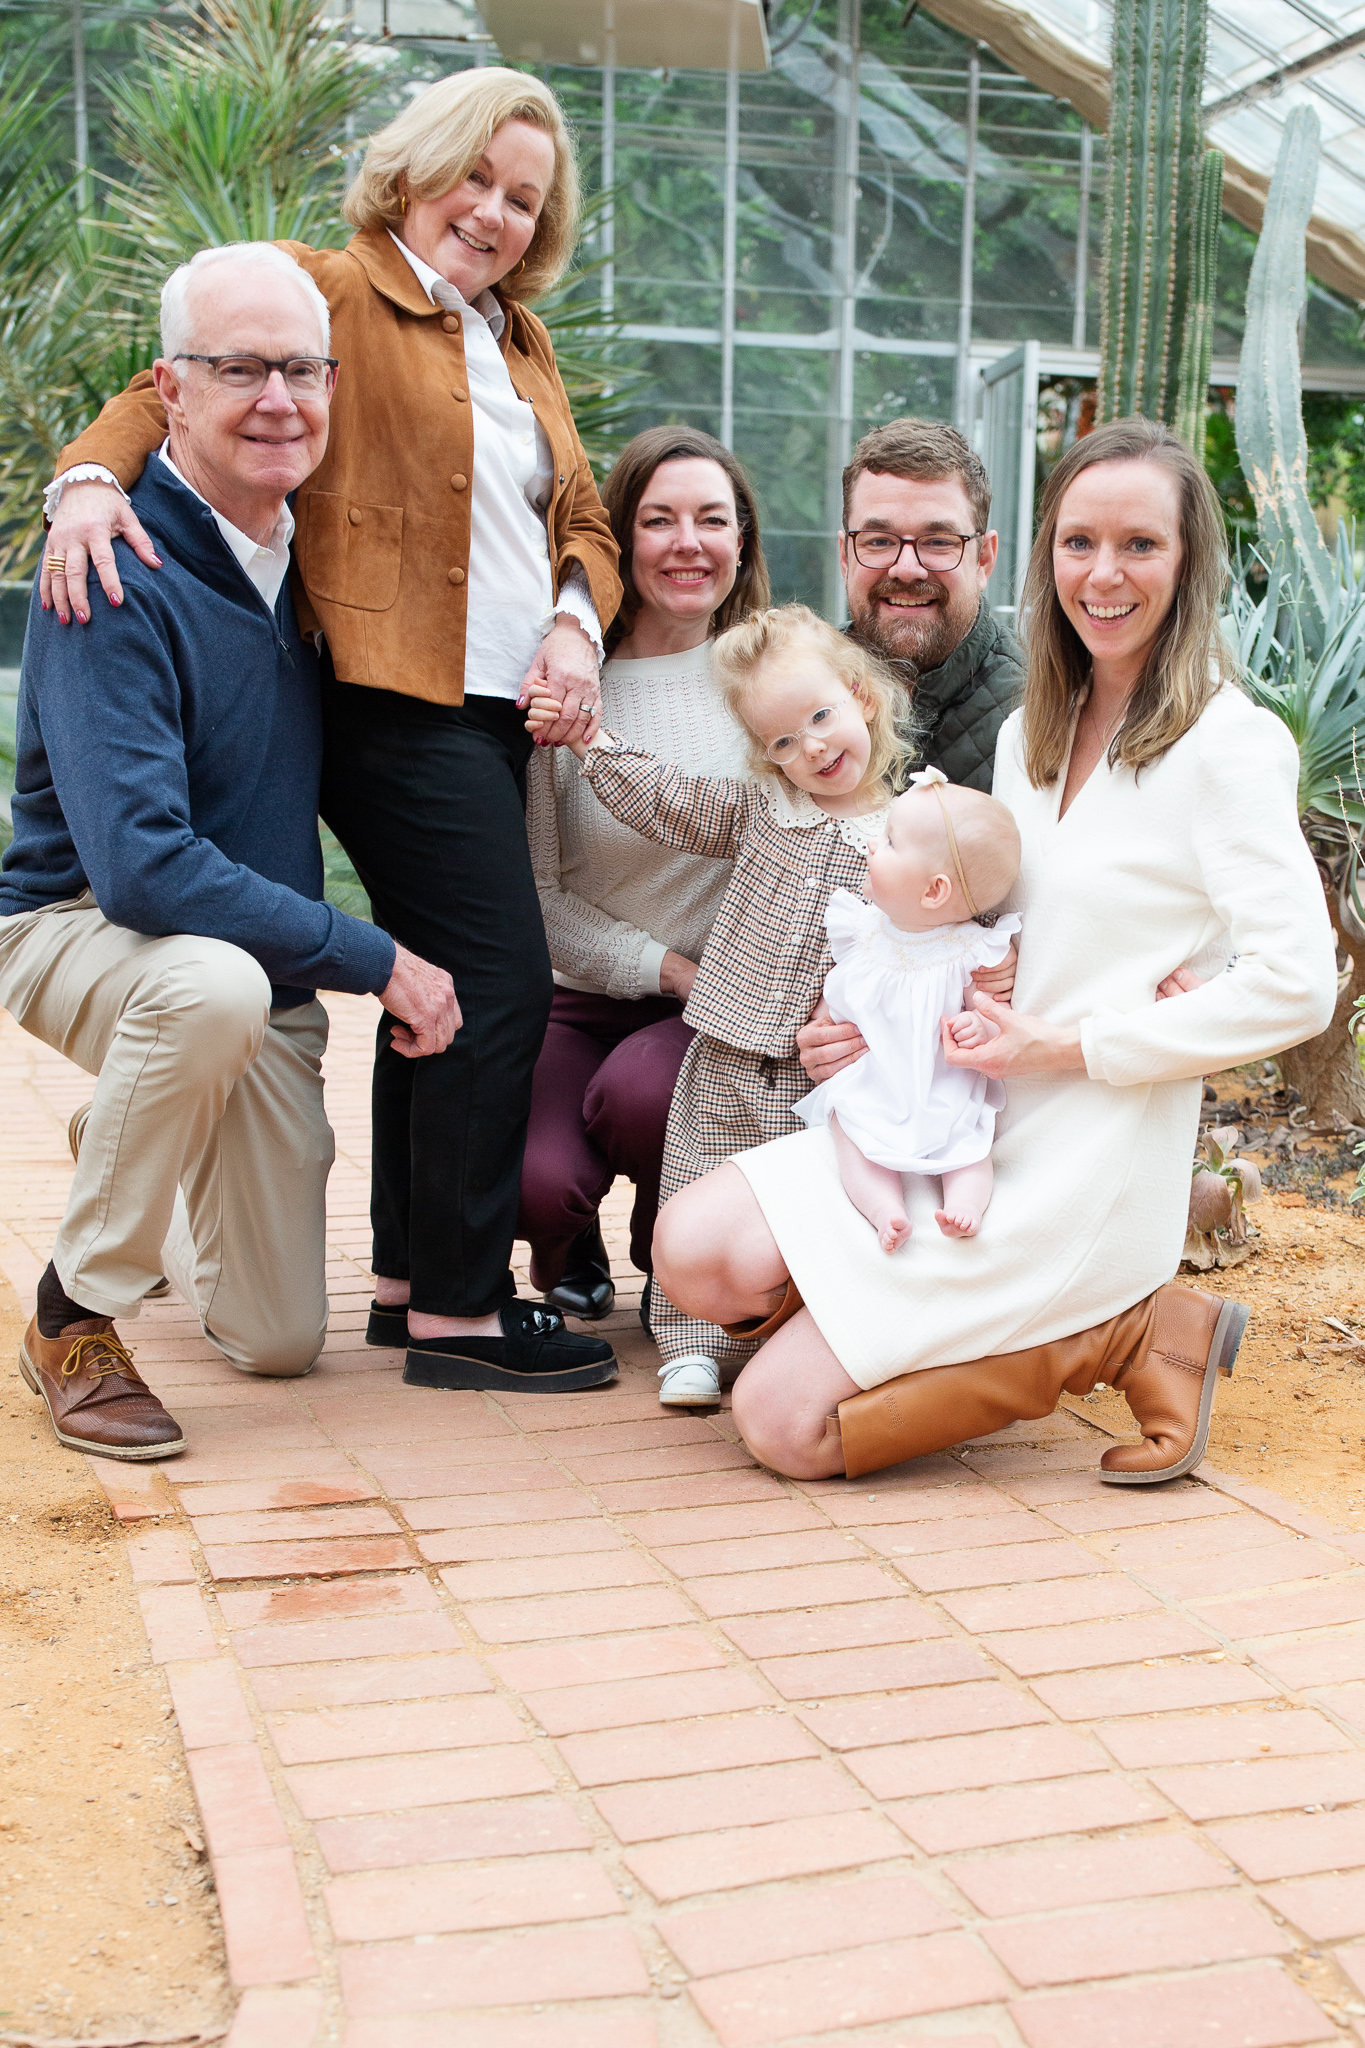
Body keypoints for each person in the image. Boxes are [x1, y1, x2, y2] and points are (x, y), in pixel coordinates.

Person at [39, 70, 623, 1398]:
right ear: (411, 171)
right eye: (474, 177)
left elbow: (580, 514)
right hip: (394, 697)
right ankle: (462, 1316)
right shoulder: (333, 288)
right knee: (499, 982)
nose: (495, 212)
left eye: (523, 198)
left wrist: (575, 625)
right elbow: (159, 393)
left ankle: (410, 1285)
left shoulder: (522, 343)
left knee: (451, 985)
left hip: (502, 711)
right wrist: (84, 485)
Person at [650, 418, 1338, 1486]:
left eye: (1140, 544)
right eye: (1079, 542)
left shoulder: (1227, 744)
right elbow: (972, 919)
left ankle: (1121, 1329)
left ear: (1189, 560)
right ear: (1043, 553)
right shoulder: (1031, 733)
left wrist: (1089, 1036)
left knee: (782, 1428)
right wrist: (859, 1013)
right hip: (953, 1108)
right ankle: (897, 1321)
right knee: (689, 1246)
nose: (1103, 574)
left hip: (1085, 1160)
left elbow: (1298, 982)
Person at [0, 243, 456, 1459]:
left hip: (250, 974)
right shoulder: (108, 566)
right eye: (239, 369)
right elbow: (142, 868)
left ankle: (134, 1126)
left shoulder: (317, 560)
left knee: (276, 1336)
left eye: (302, 370)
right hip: (76, 922)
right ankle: (73, 1318)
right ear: (171, 389)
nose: (278, 399)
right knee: (208, 989)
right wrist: (377, 957)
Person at [526, 604, 911, 1407]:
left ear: (860, 696)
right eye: (782, 742)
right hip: (724, 1051)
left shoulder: (906, 837)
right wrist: (592, 743)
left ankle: (783, 1336)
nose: (811, 749)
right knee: (693, 1189)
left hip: (818, 1077)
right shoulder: (763, 809)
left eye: (819, 718)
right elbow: (667, 800)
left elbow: (943, 929)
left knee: (798, 1210)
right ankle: (687, 1343)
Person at [520, 427, 767, 1341]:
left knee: (643, 1097)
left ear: (742, 539)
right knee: (534, 1183)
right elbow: (539, 895)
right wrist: (663, 967)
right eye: (658, 520)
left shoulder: (771, 679)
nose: (687, 544)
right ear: (619, 539)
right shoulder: (568, 683)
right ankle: (565, 1240)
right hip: (579, 994)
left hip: (711, 1010)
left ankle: (664, 1239)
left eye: (712, 520)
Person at [800, 417, 1025, 1086]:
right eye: (878, 540)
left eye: (937, 541)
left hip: (964, 1077)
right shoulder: (799, 692)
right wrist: (803, 1025)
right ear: (845, 555)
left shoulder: (1037, 716)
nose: (906, 566)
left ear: (984, 557)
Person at [793, 767, 1021, 1253]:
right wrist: (824, 1020)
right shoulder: (862, 930)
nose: (872, 844)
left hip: (943, 1083)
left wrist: (979, 1025)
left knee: (969, 1141)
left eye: (891, 842)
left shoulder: (969, 950)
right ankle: (884, 1208)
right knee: (849, 1131)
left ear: (934, 891)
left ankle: (966, 1203)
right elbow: (836, 997)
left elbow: (992, 1011)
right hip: (873, 1079)